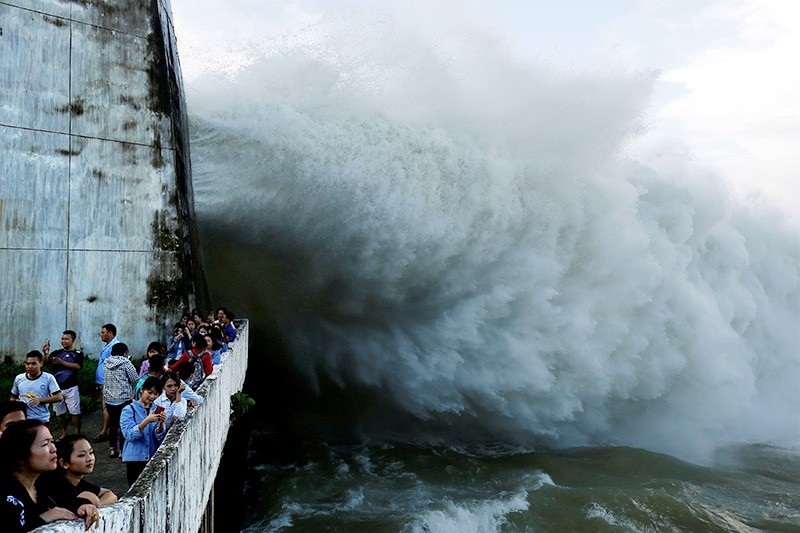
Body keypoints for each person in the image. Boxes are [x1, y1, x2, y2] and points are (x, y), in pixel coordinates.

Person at [0, 420, 100, 531]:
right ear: (20, 455)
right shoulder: (6, 494)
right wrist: (43, 518)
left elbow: (65, 501)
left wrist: (81, 507)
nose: (54, 449)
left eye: (52, 441)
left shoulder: (43, 483)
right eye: (44, 444)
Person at [38, 435, 117, 508]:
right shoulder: (53, 485)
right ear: (64, 463)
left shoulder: (78, 482)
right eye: (81, 455)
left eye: (91, 453)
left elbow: (110, 494)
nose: (90, 458)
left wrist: (95, 507)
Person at [119, 377, 167, 486]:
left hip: (152, 456)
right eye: (149, 392)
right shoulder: (128, 409)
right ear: (142, 390)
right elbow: (129, 435)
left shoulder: (157, 409)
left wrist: (161, 424)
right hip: (135, 459)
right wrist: (146, 421)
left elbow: (159, 437)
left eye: (156, 394)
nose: (152, 397)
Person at [43, 330, 84, 439]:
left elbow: (78, 366)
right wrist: (45, 353)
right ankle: (64, 432)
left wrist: (62, 362)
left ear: (73, 340)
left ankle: (76, 433)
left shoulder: (78, 354)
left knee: (75, 412)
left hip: (72, 387)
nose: (63, 341)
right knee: (59, 412)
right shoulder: (56, 353)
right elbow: (45, 363)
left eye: (66, 339)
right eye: (62, 339)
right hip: (57, 389)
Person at [103, 343, 138, 459]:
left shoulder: (106, 362)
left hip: (109, 399)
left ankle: (112, 449)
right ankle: (123, 451)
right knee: (124, 425)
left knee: (113, 424)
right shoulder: (126, 362)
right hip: (123, 398)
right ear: (125, 352)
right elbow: (134, 378)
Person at [9, 351, 62, 425]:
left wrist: (40, 400)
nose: (30, 366)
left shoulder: (48, 378)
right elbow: (12, 398)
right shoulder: (19, 378)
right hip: (23, 420)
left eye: (33, 364)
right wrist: (17, 403)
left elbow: (59, 397)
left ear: (41, 364)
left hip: (41, 420)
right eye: (27, 364)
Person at [93, 324, 119, 443]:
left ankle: (105, 431)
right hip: (103, 381)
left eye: (103, 332)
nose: (101, 334)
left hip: (108, 381)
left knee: (107, 407)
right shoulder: (109, 346)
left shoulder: (114, 346)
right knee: (106, 406)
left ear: (110, 333)